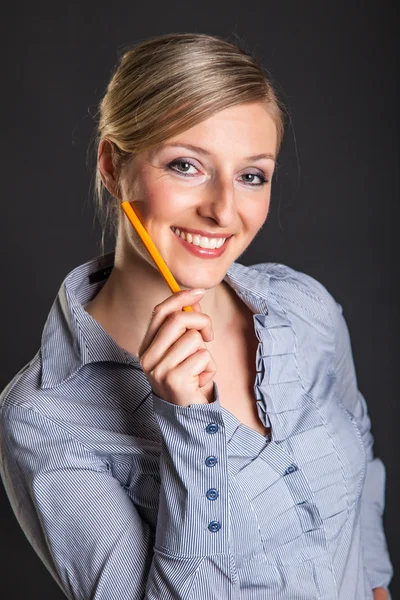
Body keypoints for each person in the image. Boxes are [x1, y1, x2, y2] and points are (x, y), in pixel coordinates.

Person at [0, 32, 393, 600]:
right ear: (113, 167)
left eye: (252, 175)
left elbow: (361, 466)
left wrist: (376, 585)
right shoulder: (46, 418)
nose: (223, 210)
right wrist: (188, 428)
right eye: (186, 165)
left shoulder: (307, 309)